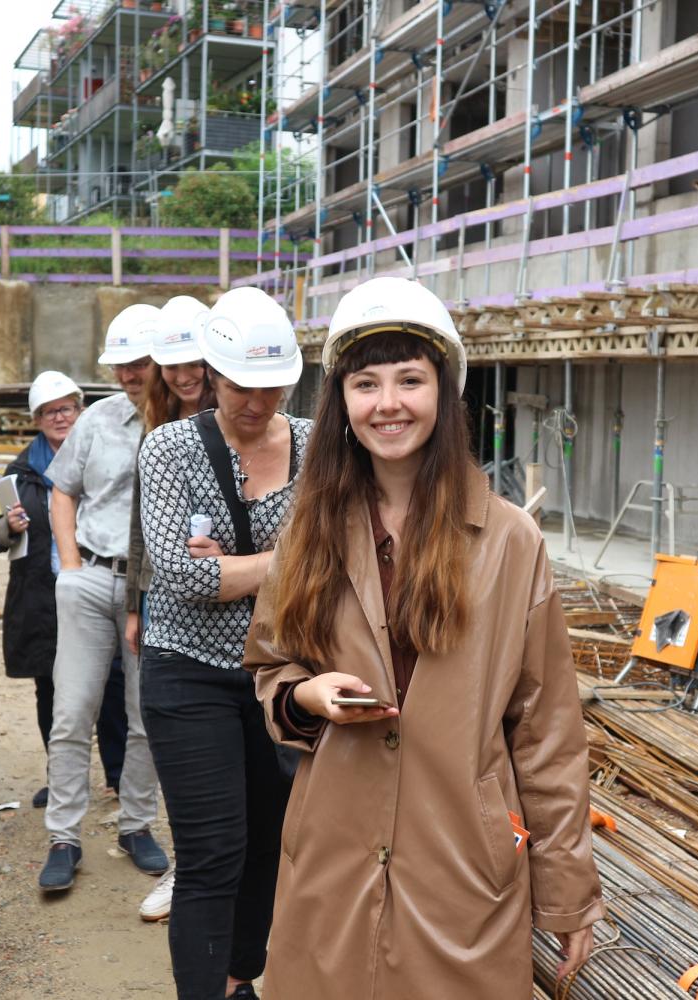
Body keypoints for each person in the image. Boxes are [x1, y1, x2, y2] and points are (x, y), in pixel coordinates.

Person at [241, 275, 603, 998]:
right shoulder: (310, 531)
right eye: (366, 384)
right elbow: (268, 666)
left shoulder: (508, 541)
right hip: (333, 848)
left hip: (462, 864)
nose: (388, 404)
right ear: (341, 401)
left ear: (444, 391)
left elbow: (546, 729)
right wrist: (305, 693)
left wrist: (565, 891)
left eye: (410, 379)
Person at [136, 286, 309, 1000]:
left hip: (280, 670)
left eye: (272, 390)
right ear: (212, 372)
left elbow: (351, 552)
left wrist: (232, 570)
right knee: (213, 853)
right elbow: (178, 574)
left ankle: (239, 979)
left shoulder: (319, 443)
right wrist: (293, 559)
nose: (256, 405)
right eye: (242, 387)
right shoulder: (171, 447)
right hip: (189, 671)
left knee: (269, 843)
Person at [38, 304, 170, 892]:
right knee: (73, 710)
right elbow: (61, 492)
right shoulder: (96, 421)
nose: (125, 376)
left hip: (156, 588)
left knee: (146, 714)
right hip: (91, 575)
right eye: (119, 366)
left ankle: (137, 825)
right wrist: (69, 566)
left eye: (137, 364)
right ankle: (63, 837)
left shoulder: (186, 424)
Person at [0, 372, 129, 808]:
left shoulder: (108, 457)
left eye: (66, 408)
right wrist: (7, 525)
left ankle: (117, 776)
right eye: (49, 411)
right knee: (51, 689)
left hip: (102, 590)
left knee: (114, 686)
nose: (60, 417)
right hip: (44, 600)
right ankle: (62, 777)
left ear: (80, 410)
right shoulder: (14, 475)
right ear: (36, 419)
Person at [125, 294, 216, 923]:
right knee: (186, 755)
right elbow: (141, 527)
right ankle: (187, 870)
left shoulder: (250, 415)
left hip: (246, 606)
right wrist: (138, 603)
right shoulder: (157, 429)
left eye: (195, 363)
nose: (184, 375)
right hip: (172, 604)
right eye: (172, 364)